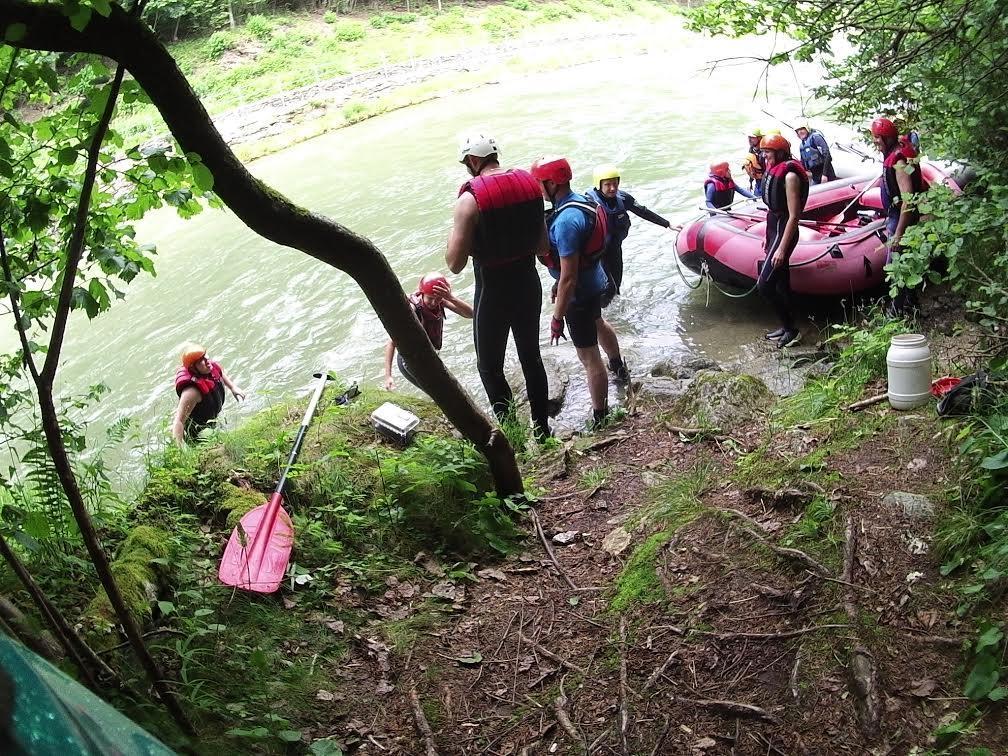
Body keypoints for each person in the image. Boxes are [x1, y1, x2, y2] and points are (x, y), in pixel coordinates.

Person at [446, 132, 553, 441]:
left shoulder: (469, 200)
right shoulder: (531, 186)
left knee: (488, 366)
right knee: (531, 357)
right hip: (527, 284)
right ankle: (543, 432)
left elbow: (454, 264)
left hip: (493, 291)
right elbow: (544, 247)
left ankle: (513, 436)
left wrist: (452, 238)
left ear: (473, 161)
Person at [532, 156, 629, 428]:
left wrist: (556, 317)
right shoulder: (586, 201)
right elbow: (574, 264)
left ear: (552, 183)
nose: (538, 188)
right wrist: (559, 281)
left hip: (580, 293)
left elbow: (569, 277)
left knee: (588, 357)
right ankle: (619, 366)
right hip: (596, 281)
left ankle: (601, 415)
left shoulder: (565, 221)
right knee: (598, 322)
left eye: (540, 183)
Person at [586, 165, 673, 306]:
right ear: (599, 185)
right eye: (607, 185)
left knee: (616, 289)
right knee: (608, 288)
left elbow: (643, 212)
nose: (612, 188)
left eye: (615, 183)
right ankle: (599, 319)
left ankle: (614, 320)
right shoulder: (589, 203)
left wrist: (667, 224)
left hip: (614, 249)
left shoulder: (623, 198)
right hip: (597, 254)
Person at [756, 134, 809, 348]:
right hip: (773, 227)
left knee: (765, 285)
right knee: (781, 281)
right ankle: (787, 327)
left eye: (767, 152)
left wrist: (781, 248)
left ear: (779, 152)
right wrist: (769, 239)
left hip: (784, 229)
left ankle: (791, 329)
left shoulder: (790, 177)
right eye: (763, 151)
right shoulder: (773, 168)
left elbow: (794, 216)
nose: (764, 155)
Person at [384, 272, 473, 392]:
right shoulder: (413, 311)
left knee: (444, 389)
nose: (434, 303)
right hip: (410, 361)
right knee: (439, 391)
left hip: (429, 354)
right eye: (430, 298)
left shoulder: (441, 302)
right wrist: (388, 376)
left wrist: (450, 297)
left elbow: (471, 314)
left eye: (438, 298)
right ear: (422, 294)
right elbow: (391, 342)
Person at [871, 116, 924, 314]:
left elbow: (908, 199)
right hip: (897, 217)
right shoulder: (896, 151)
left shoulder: (899, 162)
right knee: (904, 261)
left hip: (901, 219)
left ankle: (895, 312)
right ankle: (910, 304)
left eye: (877, 138)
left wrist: (899, 233)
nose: (875, 142)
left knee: (894, 267)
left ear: (886, 138)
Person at [172, 343, 244, 444]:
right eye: (201, 359)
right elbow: (178, 421)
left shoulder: (208, 368)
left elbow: (219, 373)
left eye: (205, 355)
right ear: (193, 368)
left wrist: (232, 387)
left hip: (211, 419)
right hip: (198, 432)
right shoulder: (192, 392)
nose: (207, 359)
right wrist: (179, 450)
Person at [744, 127, 766, 193]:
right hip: (758, 182)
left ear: (759, 138)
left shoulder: (765, 152)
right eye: (749, 137)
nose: (749, 140)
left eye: (752, 137)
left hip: (765, 182)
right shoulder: (751, 149)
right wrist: (750, 182)